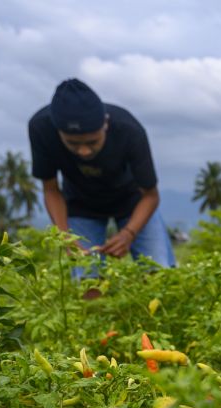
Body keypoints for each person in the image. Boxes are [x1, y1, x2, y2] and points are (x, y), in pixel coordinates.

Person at [29, 78, 176, 279]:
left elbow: (150, 195)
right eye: (72, 143)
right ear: (57, 131)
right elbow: (50, 188)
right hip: (81, 204)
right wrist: (64, 237)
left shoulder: (129, 130)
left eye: (92, 142)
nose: (83, 151)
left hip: (133, 202)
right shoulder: (41, 128)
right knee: (87, 278)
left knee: (159, 274)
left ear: (105, 123)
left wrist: (129, 233)